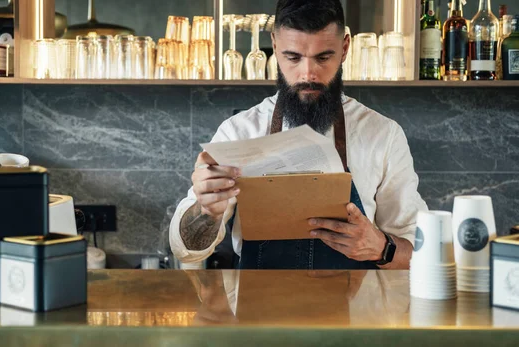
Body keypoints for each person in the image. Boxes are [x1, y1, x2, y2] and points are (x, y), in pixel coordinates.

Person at [169, 0, 428, 270]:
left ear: (345, 48)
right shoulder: (238, 132)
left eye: (323, 57)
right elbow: (188, 252)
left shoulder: (383, 135)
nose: (308, 74)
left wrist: (381, 248)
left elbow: (422, 252)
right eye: (293, 58)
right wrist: (206, 210)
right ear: (276, 46)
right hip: (257, 309)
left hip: (357, 311)